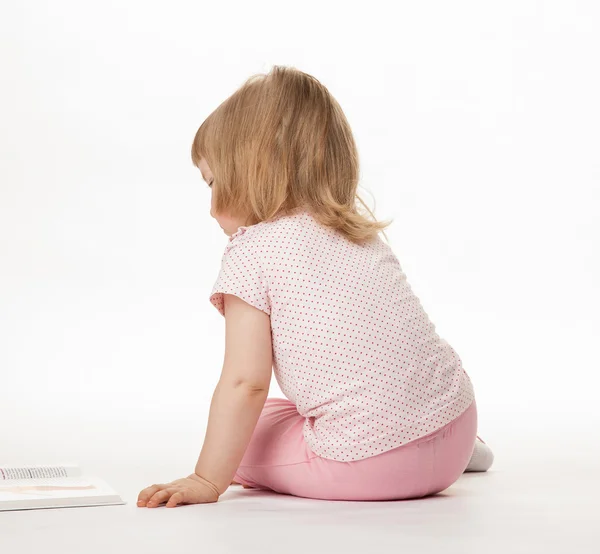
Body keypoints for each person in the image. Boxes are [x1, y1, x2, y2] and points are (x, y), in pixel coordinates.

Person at [137, 65, 494, 509]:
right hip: (455, 422)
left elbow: (246, 383)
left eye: (212, 183)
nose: (210, 208)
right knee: (337, 405)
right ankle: (453, 452)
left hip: (371, 463)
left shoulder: (251, 253)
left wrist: (207, 478)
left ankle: (398, 449)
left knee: (251, 432)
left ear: (250, 171)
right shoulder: (357, 232)